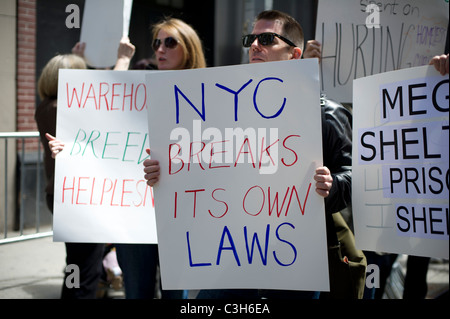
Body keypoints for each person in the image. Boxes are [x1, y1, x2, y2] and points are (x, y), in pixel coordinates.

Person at [143, 10, 360, 299]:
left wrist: (332, 184)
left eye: (267, 38)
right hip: (234, 252)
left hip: (296, 254)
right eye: (251, 39)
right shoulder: (223, 108)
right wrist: (165, 171)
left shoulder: (326, 112)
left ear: (294, 54)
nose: (255, 45)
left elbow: (355, 175)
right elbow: (203, 166)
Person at [114, 17, 207, 300]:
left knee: (175, 296)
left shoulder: (210, 94)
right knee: (136, 292)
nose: (160, 49)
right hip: (135, 212)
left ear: (189, 49)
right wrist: (71, 151)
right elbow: (101, 129)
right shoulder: (137, 89)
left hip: (181, 216)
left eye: (170, 42)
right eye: (157, 42)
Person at [35, 53, 105, 299]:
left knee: (77, 265)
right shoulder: (61, 110)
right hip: (77, 200)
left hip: (62, 195)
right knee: (85, 271)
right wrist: (120, 63)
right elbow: (105, 102)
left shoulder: (46, 107)